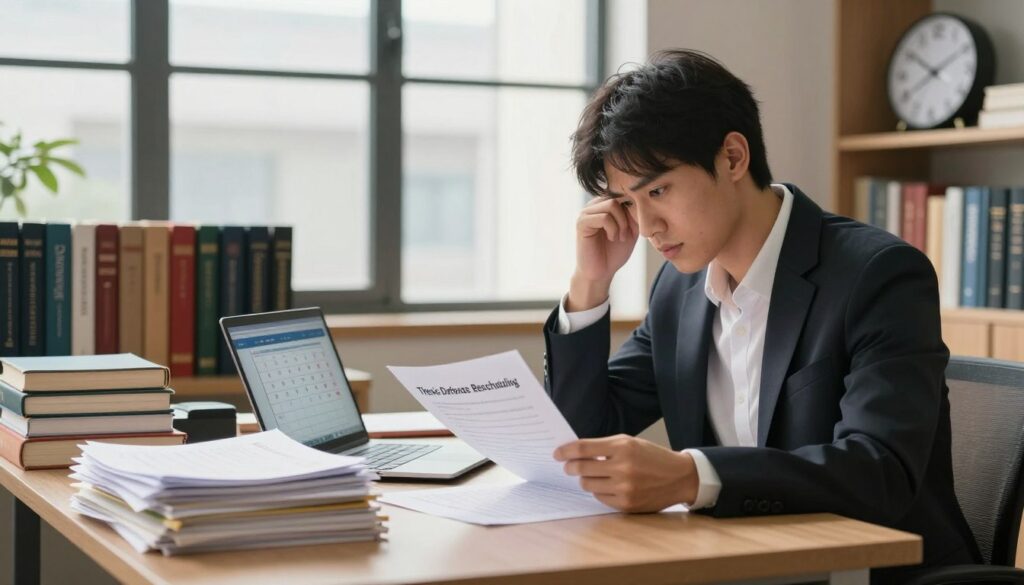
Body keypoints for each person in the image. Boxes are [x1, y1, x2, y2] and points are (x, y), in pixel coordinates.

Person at [544, 49, 979, 583]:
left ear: (732, 157)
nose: (648, 226)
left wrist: (692, 477)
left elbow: (877, 472)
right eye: (627, 204)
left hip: (871, 573)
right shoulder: (678, 291)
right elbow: (581, 437)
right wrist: (589, 285)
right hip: (741, 566)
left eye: (657, 190)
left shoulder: (879, 275)